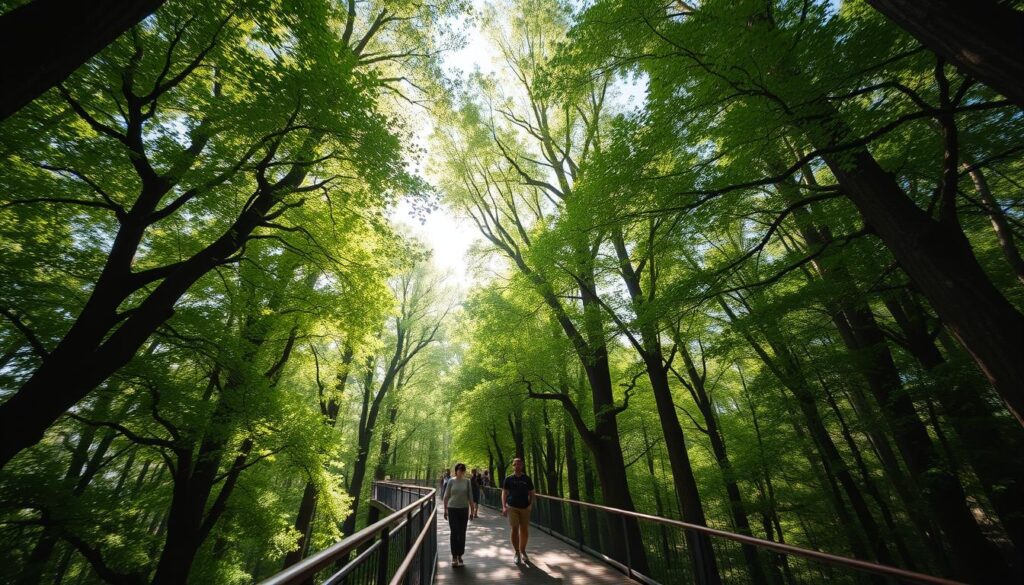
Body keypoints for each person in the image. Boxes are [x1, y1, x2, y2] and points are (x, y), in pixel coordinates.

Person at [501, 457, 535, 564]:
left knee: (524, 530)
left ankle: (523, 551)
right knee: (514, 529)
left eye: (519, 464)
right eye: (515, 464)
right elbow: (504, 492)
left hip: (525, 507)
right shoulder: (508, 479)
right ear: (513, 466)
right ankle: (516, 552)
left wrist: (531, 505)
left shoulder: (527, 479)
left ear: (522, 466)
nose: (517, 466)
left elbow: (532, 492)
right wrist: (504, 506)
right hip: (512, 507)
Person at [443, 463, 475, 567]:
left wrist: (472, 511)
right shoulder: (451, 481)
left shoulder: (467, 482)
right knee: (454, 532)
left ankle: (460, 555)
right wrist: (445, 510)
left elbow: (470, 497)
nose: (460, 471)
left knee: (462, 533)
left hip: (464, 509)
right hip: (452, 509)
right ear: (456, 471)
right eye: (459, 469)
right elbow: (446, 496)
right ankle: (454, 556)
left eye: (462, 470)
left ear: (464, 471)